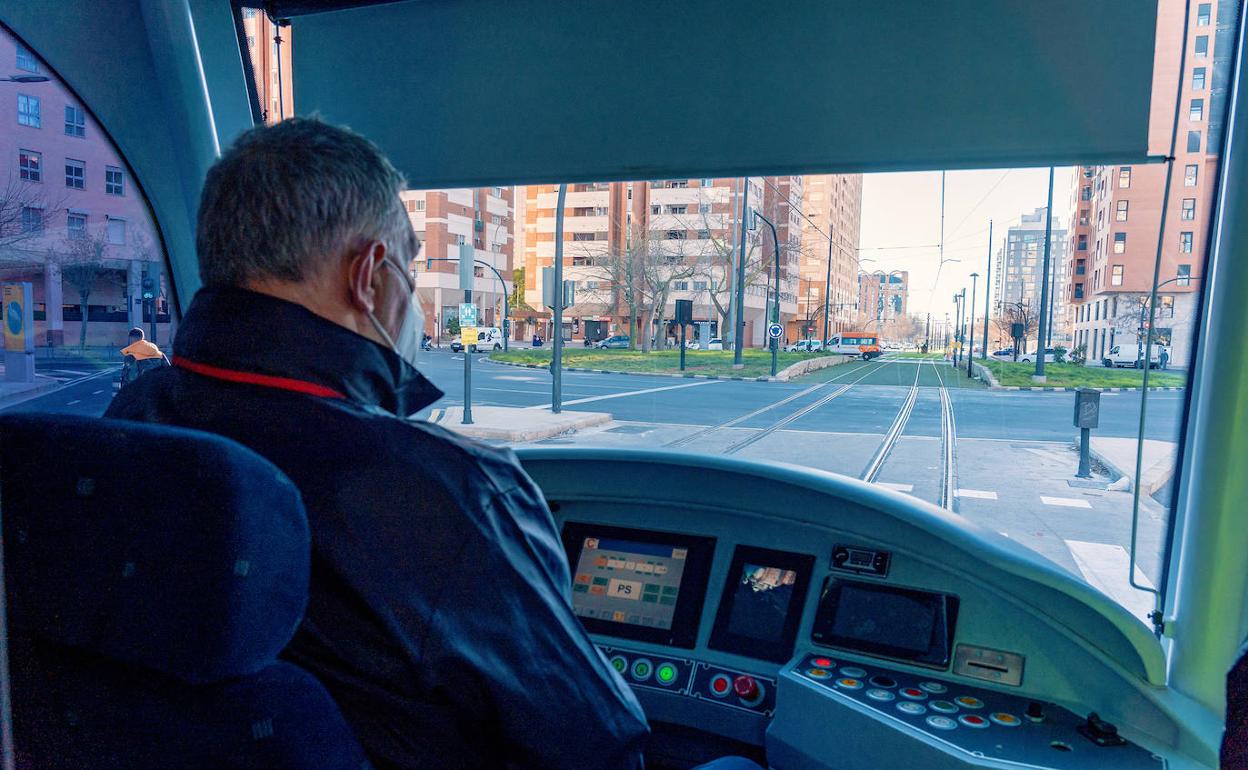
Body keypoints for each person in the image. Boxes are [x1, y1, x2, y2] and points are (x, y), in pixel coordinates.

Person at [106, 119, 656, 770]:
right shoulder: (452, 494)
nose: (416, 296)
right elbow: (600, 750)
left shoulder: (123, 427)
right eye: (413, 263)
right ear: (370, 274)